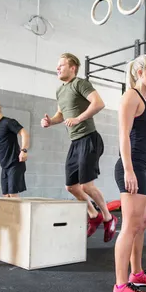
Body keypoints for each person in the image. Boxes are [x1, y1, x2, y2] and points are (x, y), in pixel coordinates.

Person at [41, 53, 117, 242]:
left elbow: (99, 103)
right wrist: (51, 121)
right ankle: (94, 215)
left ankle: (109, 217)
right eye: (57, 66)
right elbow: (61, 114)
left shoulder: (80, 84)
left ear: (73, 67)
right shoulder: (60, 91)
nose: (57, 68)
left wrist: (79, 118)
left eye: (61, 65)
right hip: (75, 142)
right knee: (71, 187)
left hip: (89, 138)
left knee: (87, 186)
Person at [111, 54, 146, 292]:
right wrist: (129, 169)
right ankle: (121, 285)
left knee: (142, 223)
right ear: (140, 71)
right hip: (130, 168)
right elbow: (124, 135)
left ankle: (138, 273)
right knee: (130, 226)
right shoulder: (131, 95)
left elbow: (141, 139)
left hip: (142, 167)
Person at [0, 99, 29, 197]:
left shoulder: (9, 122)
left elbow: (24, 133)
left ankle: (18, 212)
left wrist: (24, 150)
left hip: (15, 163)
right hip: (4, 165)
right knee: (6, 195)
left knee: (12, 194)